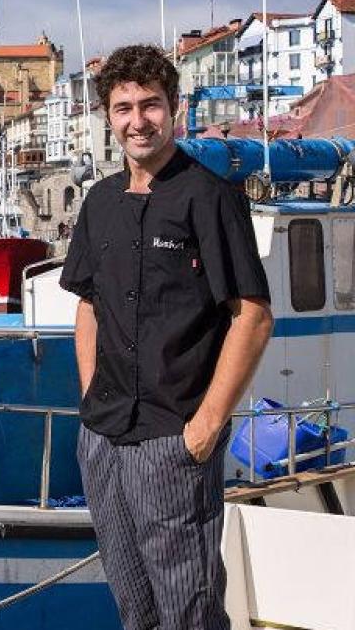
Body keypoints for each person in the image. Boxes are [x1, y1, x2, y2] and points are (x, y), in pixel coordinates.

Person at [59, 44, 274, 629]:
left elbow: (252, 316)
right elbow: (88, 308)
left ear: (174, 109)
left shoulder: (209, 198)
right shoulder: (99, 203)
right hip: (103, 439)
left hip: (172, 439)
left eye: (150, 105)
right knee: (136, 610)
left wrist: (204, 429)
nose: (138, 120)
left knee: (189, 611)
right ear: (108, 116)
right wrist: (88, 401)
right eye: (124, 107)